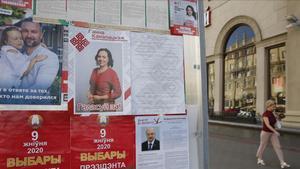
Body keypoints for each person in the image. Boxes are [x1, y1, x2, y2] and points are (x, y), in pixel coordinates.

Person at [19, 18, 59, 90]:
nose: (29, 35)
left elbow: (39, 88)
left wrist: (11, 97)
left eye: (34, 32)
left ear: (41, 34)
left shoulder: (49, 57)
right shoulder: (16, 53)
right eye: (25, 31)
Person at [256, 100, 291, 168]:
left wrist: (279, 118)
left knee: (278, 147)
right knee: (263, 145)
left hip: (272, 132)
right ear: (268, 106)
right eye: (273, 106)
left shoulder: (273, 113)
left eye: (274, 106)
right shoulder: (265, 114)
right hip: (265, 132)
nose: (274, 107)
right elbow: (268, 125)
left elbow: (275, 122)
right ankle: (259, 158)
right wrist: (275, 131)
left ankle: (282, 162)